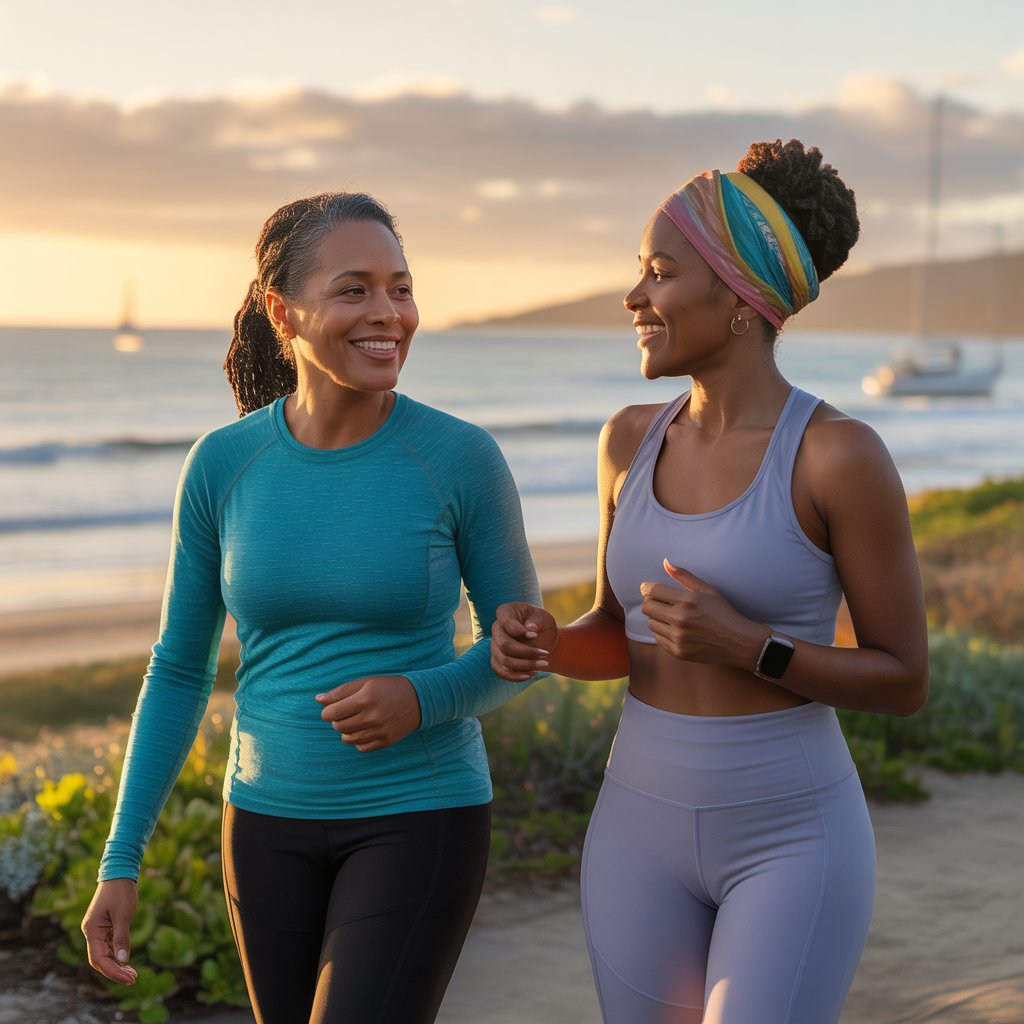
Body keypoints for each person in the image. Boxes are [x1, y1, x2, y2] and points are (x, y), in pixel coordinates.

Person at [491, 139, 928, 1024]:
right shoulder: (626, 441)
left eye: (658, 272)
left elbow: (903, 678)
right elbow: (618, 634)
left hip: (791, 836)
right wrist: (546, 645)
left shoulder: (838, 457)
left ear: (736, 298)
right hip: (635, 828)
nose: (634, 297)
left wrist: (750, 646)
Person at [81, 192, 542, 1024]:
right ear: (281, 311)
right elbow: (180, 668)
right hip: (261, 825)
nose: (389, 314)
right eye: (355, 289)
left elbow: (520, 651)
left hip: (420, 815)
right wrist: (122, 858)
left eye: (401, 288)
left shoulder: (460, 458)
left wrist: (421, 696)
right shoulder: (223, 464)